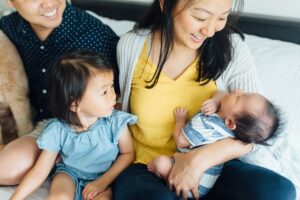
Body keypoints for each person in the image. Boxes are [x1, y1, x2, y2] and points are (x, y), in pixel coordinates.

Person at [114, 0, 296, 199]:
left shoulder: (231, 49)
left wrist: (196, 161)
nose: (210, 31)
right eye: (200, 17)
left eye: (221, 18)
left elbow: (256, 133)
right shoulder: (131, 46)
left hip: (214, 170)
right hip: (147, 166)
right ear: (166, 4)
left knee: (278, 190)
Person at [0, 0, 119, 185]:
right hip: (45, 128)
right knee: (6, 169)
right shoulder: (8, 28)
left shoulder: (98, 38)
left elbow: (116, 102)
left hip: (87, 134)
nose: (49, 3)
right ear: (11, 2)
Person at [10, 50, 135, 200]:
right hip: (69, 174)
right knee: (59, 196)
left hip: (103, 177)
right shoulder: (58, 130)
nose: (113, 95)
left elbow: (128, 154)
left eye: (112, 87)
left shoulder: (116, 122)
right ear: (74, 103)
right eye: (104, 92)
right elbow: (40, 171)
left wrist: (103, 182)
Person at [147, 91, 282, 198]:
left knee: (160, 163)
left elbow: (181, 141)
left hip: (189, 184)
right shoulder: (238, 130)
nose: (237, 91)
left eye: (238, 98)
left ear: (230, 123)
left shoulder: (207, 122)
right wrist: (216, 101)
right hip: (209, 184)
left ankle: (158, 172)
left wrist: (180, 121)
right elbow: (221, 93)